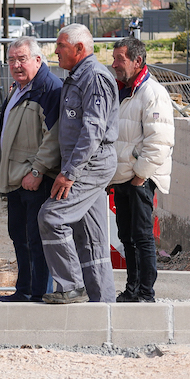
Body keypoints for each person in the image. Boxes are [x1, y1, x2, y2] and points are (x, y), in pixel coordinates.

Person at [39, 23, 118, 304]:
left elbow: (92, 132)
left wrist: (69, 173)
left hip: (89, 165)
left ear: (79, 48)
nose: (56, 51)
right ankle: (104, 304)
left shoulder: (95, 77)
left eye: (61, 46)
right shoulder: (76, 77)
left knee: (51, 217)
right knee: (91, 237)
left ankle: (70, 285)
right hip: (82, 164)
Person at [0, 37, 61, 302]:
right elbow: (6, 135)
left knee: (36, 239)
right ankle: (24, 290)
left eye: (22, 59)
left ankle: (39, 293)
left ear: (38, 60)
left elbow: (53, 136)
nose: (17, 65)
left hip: (35, 180)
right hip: (15, 177)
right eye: (12, 60)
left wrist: (37, 171)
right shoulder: (17, 89)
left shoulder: (48, 89)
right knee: (19, 235)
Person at [110, 37, 174, 303]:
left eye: (120, 60)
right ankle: (132, 290)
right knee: (127, 236)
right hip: (125, 177)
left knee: (142, 237)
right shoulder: (124, 90)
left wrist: (139, 176)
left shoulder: (152, 93)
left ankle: (146, 293)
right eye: (114, 59)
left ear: (138, 61)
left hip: (139, 179)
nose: (114, 65)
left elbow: (159, 141)